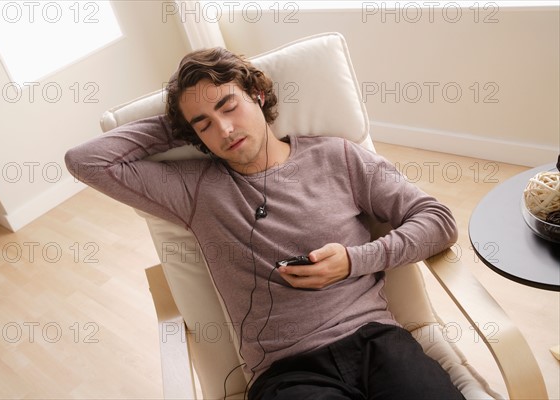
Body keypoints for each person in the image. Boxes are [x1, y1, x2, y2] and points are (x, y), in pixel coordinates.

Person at [65, 47, 464, 400]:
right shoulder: (193, 191)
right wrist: (183, 121)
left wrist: (354, 261)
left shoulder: (336, 157)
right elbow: (85, 161)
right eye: (204, 125)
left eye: (229, 105)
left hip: (377, 342)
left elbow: (438, 222)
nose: (224, 129)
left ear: (257, 94)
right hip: (287, 373)